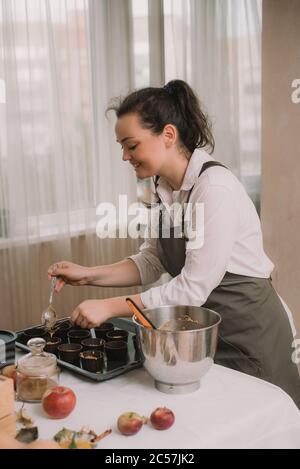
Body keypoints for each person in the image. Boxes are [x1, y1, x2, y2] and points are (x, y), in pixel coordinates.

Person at [48, 79, 300, 407]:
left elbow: (190, 290)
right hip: (205, 333)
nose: (124, 155)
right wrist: (88, 274)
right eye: (121, 146)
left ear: (168, 135)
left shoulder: (214, 189)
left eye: (131, 144)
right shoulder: (164, 188)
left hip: (252, 334)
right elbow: (152, 260)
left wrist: (110, 307)